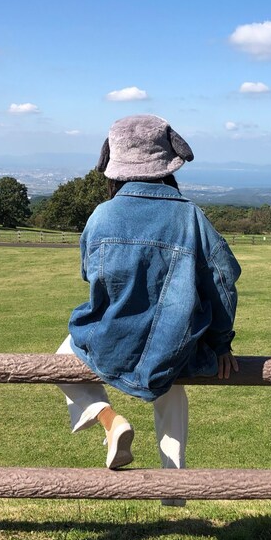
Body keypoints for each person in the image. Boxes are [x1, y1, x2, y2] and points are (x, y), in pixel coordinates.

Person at [55, 114, 241, 502]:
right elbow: (222, 280)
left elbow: (90, 274)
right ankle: (173, 485)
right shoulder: (189, 215)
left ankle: (110, 420)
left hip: (110, 341)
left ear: (113, 163)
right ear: (168, 162)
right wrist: (221, 343)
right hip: (177, 347)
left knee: (61, 358)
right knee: (170, 389)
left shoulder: (101, 216)